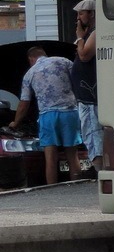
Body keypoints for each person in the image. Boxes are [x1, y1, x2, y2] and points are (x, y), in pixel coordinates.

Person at [8, 46, 82, 184]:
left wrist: (15, 123)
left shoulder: (30, 73)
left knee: (51, 158)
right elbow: (78, 82)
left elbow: (24, 103)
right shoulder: (64, 61)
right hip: (70, 112)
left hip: (48, 116)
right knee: (72, 155)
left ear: (31, 59)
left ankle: (52, 191)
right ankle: (76, 187)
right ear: (44, 54)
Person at [71, 0, 103, 174]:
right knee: (90, 132)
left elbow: (84, 55)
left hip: (90, 97)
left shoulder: (96, 33)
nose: (78, 18)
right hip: (85, 96)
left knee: (93, 133)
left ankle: (99, 169)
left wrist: (79, 38)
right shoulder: (90, 33)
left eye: (81, 13)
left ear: (91, 14)